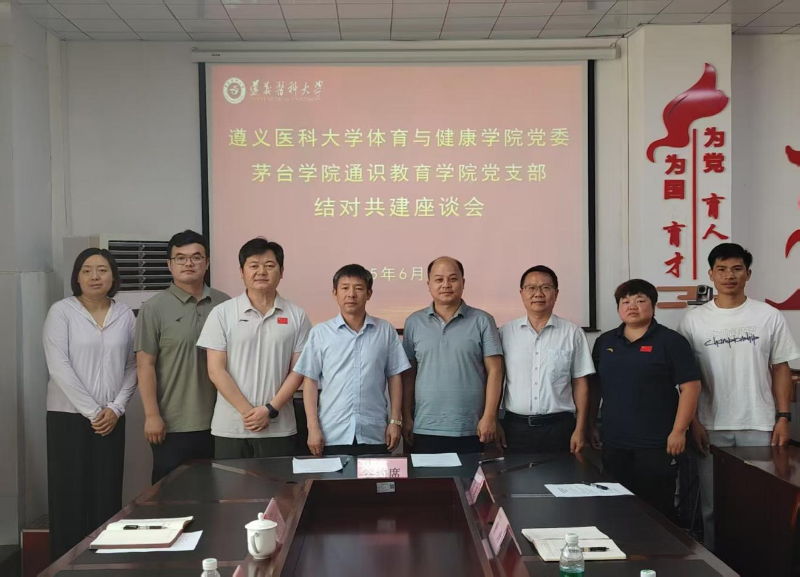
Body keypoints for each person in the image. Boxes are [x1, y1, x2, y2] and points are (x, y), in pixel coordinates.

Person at [678, 243, 799, 551]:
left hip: (760, 425)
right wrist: (693, 422)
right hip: (710, 425)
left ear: (748, 273)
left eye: (736, 269)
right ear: (711, 274)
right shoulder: (693, 320)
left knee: (760, 503)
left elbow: (781, 368)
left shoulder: (768, 315)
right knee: (713, 505)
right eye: (721, 269)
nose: (729, 275)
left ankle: (759, 563)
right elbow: (686, 379)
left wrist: (783, 418)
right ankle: (718, 562)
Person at [43, 248, 137, 560]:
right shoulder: (62, 312)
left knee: (106, 495)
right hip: (68, 418)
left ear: (113, 276)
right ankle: (65, 565)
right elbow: (59, 366)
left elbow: (133, 365)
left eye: (102, 270)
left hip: (112, 418)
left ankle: (104, 563)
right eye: (87, 270)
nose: (95, 276)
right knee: (68, 496)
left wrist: (117, 408)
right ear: (77, 277)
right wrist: (94, 412)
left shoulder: (125, 315)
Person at [589, 279, 700, 521]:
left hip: (658, 443)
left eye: (640, 300)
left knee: (657, 510)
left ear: (653, 305)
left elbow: (690, 387)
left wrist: (679, 431)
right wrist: (591, 424)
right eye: (625, 301)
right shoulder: (605, 342)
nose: (632, 306)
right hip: (615, 442)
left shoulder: (671, 341)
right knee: (616, 510)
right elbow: (595, 387)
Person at [196, 238, 311, 459]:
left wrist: (270, 410)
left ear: (281, 271)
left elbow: (299, 370)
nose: (261, 272)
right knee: (229, 482)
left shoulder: (297, 315)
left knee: (279, 483)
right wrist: (249, 413)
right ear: (242, 272)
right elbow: (216, 370)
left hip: (279, 427)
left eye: (269, 265)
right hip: (231, 427)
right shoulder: (222, 313)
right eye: (254, 265)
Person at [135, 230, 230, 484]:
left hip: (221, 421)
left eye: (196, 257)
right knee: (171, 495)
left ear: (207, 263)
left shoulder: (225, 304)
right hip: (173, 424)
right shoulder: (153, 308)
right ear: (169, 264)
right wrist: (152, 415)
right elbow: (145, 365)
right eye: (181, 258)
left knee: (218, 493)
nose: (189, 263)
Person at [294, 264, 410, 456]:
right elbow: (310, 382)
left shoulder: (385, 330)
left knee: (376, 477)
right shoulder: (320, 333)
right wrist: (312, 427)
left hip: (375, 431)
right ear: (335, 293)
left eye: (358, 288)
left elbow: (394, 377)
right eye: (345, 288)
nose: (351, 294)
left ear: (369, 293)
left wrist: (395, 421)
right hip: (332, 433)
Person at [401, 256, 504, 454]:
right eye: (439, 279)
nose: (446, 285)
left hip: (472, 427)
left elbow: (495, 371)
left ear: (463, 282)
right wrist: (405, 416)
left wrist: (490, 416)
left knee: (471, 475)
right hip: (425, 426)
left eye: (453, 279)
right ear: (429, 284)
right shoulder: (414, 322)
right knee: (426, 476)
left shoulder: (482, 320)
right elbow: (408, 375)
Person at [499, 265, 594, 454]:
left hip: (560, 428)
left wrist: (580, 428)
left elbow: (580, 384)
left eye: (545, 287)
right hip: (515, 428)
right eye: (531, 288)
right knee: (514, 474)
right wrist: (494, 421)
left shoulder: (572, 333)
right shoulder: (505, 333)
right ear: (521, 293)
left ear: (556, 293)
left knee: (561, 473)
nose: (538, 294)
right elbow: (495, 380)